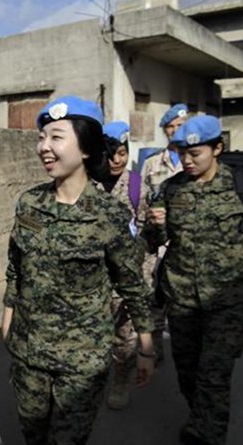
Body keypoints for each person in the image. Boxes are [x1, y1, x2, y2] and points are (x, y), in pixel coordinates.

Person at [1, 96, 156, 445]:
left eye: (56, 137)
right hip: (29, 353)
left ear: (85, 147)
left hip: (81, 361)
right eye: (42, 138)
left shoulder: (109, 215)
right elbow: (16, 267)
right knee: (33, 435)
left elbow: (131, 285)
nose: (44, 147)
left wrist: (146, 346)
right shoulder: (29, 203)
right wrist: (8, 315)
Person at [143, 115, 243, 445]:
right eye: (181, 153)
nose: (187, 161)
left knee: (213, 376)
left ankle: (208, 436)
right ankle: (200, 420)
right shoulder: (171, 189)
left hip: (228, 302)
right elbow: (151, 243)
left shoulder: (241, 184)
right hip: (183, 299)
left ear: (217, 148)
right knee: (188, 373)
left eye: (195, 154)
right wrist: (154, 225)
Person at [139, 103, 189, 361]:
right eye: (169, 127)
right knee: (154, 299)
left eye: (178, 126)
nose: (173, 132)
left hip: (187, 244)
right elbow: (142, 202)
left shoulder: (197, 160)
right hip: (159, 244)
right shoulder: (151, 163)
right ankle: (153, 350)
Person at [100, 121, 143, 410]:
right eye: (112, 154)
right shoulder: (88, 184)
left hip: (124, 276)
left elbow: (144, 237)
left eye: (123, 153)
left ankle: (121, 378)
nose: (117, 160)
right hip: (93, 278)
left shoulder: (137, 185)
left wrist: (142, 279)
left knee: (123, 335)